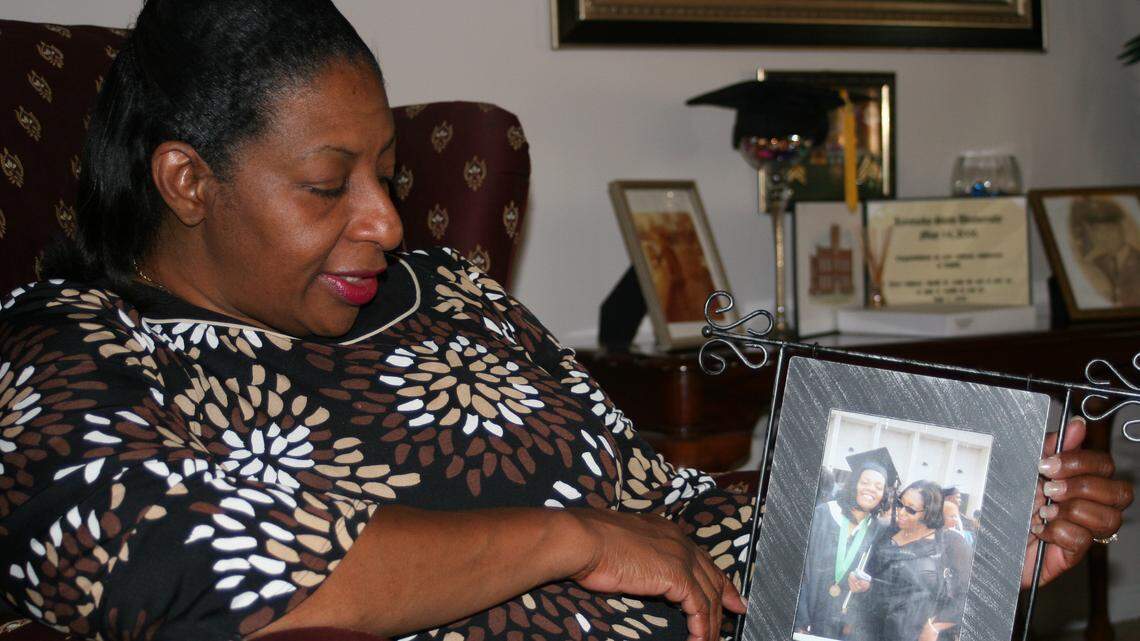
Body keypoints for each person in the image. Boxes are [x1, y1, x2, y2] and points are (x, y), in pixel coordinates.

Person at [0, 1, 1131, 640]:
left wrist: (958, 543)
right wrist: (571, 536)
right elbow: (202, 582)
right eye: (326, 183)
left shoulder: (454, 298)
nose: (387, 219)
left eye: (389, 171)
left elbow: (671, 512)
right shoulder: (64, 365)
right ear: (187, 181)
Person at [794, 448, 898, 639]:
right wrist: (798, 619)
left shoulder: (879, 531)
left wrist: (869, 586)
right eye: (865, 482)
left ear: (883, 494)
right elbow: (798, 570)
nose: (870, 489)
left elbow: (882, 583)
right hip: (807, 619)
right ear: (854, 484)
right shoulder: (823, 514)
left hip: (846, 629)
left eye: (878, 486)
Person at [848, 482, 972, 641]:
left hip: (915, 634)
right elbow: (874, 579)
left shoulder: (950, 544)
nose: (901, 512)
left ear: (929, 513)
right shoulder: (885, 532)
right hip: (870, 629)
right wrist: (862, 583)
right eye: (900, 503)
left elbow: (967, 596)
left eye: (911, 510)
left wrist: (936, 627)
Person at [1068, 196, 1140, 307]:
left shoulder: (1137, 258)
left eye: (1109, 229)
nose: (1103, 237)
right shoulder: (1095, 264)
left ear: (1122, 229)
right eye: (1097, 231)